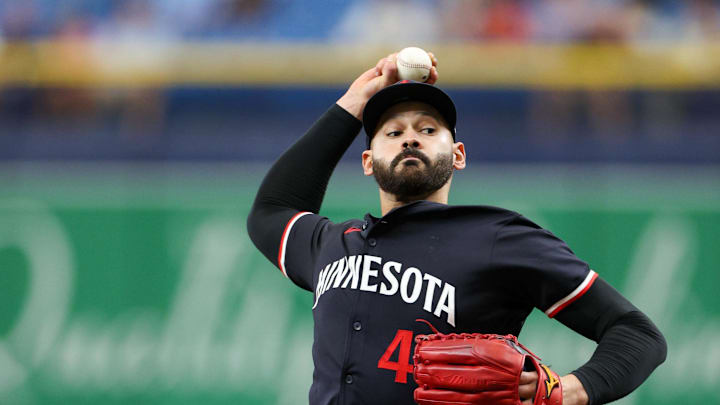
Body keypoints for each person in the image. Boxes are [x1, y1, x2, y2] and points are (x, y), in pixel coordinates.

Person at [246, 53, 666, 405]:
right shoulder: (332, 244)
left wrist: (568, 390)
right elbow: (271, 210)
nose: (410, 139)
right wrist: (353, 104)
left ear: (458, 155)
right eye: (393, 132)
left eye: (428, 130)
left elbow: (638, 335)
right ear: (368, 161)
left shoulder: (497, 237)